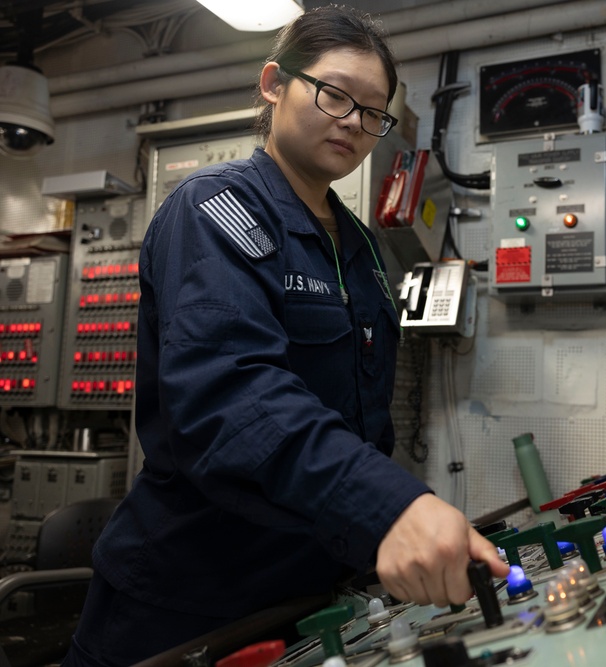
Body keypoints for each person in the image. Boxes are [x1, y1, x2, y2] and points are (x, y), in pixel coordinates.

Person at [63, 6, 507, 665]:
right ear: (275, 84)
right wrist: (389, 506)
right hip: (188, 606)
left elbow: (361, 424)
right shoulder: (215, 211)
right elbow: (235, 399)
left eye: (373, 111)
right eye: (335, 95)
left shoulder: (356, 246)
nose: (354, 122)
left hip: (307, 596)